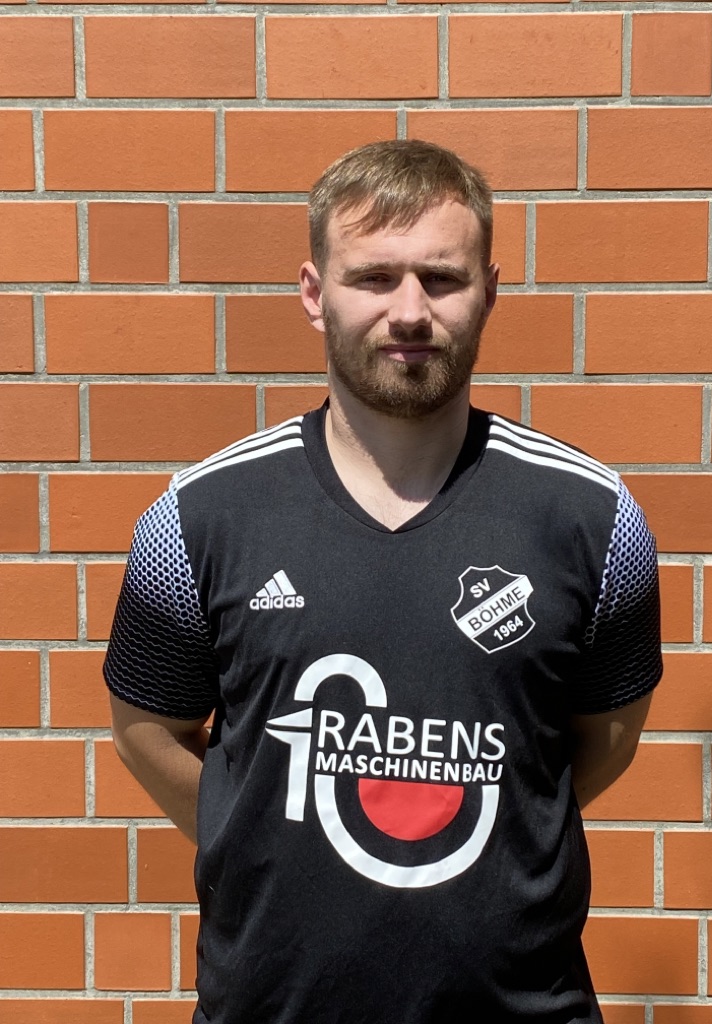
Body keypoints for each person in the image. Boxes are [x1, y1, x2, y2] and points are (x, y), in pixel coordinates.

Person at [105, 140, 662, 1024]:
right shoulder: (198, 518)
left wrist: (494, 818)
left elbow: (604, 742)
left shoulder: (593, 519)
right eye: (373, 277)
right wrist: (260, 828)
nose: (409, 311)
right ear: (314, 293)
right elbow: (146, 732)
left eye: (441, 278)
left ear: (489, 292)